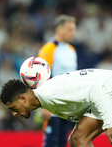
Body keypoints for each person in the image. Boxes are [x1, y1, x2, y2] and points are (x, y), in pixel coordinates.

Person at [0, 69, 112, 147]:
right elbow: (85, 93)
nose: (14, 114)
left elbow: (94, 90)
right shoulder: (45, 97)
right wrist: (109, 107)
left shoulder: (50, 94)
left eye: (13, 108)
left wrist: (110, 122)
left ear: (23, 98)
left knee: (78, 138)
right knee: (75, 140)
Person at [38, 15, 77, 147]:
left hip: (67, 105)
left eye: (74, 30)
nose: (73, 33)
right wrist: (44, 105)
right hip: (52, 104)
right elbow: (40, 77)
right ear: (59, 29)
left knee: (62, 142)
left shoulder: (72, 51)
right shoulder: (49, 49)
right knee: (51, 142)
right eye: (70, 29)